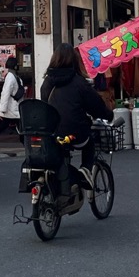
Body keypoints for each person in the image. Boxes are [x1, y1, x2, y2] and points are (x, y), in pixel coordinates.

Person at [39, 43, 112, 185]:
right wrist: (109, 115)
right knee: (89, 142)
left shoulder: (47, 83)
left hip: (53, 134)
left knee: (59, 151)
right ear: (74, 60)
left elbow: (46, 105)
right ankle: (85, 169)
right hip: (75, 134)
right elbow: (96, 106)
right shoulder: (79, 83)